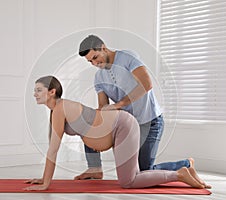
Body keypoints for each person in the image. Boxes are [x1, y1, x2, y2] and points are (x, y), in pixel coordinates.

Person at [24, 75, 211, 190]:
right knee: (132, 174)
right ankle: (185, 166)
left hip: (122, 126)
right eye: (35, 90)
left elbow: (53, 150)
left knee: (129, 181)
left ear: (52, 92)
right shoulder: (56, 111)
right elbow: (53, 146)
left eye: (39, 90)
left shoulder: (60, 109)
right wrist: (43, 178)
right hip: (117, 129)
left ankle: (179, 174)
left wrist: (46, 184)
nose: (35, 94)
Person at [76, 34, 190, 180]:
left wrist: (119, 104)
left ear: (103, 48)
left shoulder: (127, 57)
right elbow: (104, 106)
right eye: (90, 61)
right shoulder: (99, 78)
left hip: (150, 122)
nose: (94, 63)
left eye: (95, 57)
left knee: (144, 171)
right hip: (128, 126)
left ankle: (185, 165)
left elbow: (146, 84)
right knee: (90, 125)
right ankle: (94, 169)